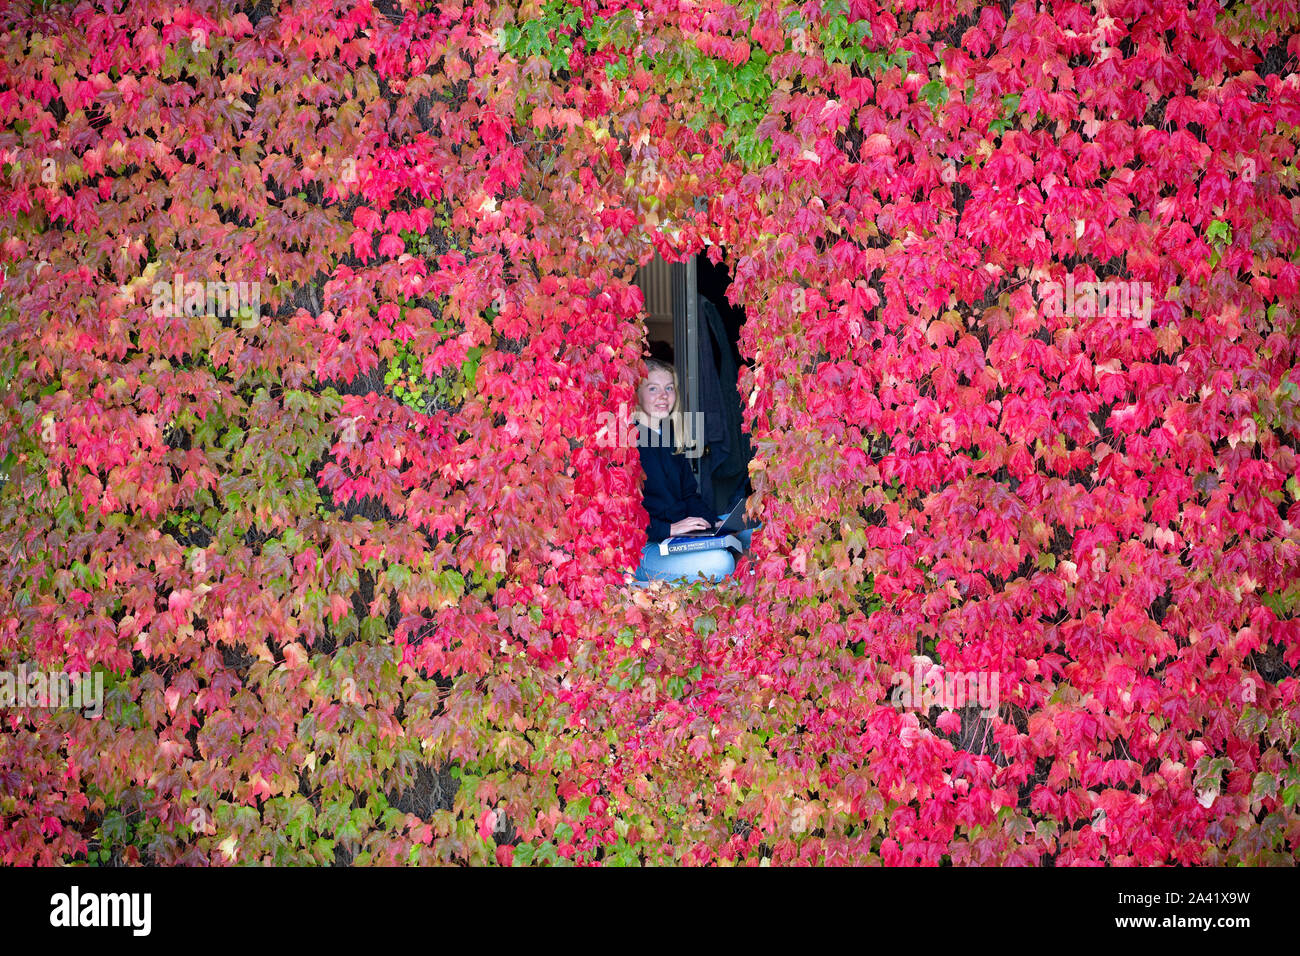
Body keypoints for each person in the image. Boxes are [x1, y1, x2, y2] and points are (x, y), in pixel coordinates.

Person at [631, 358, 746, 583]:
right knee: (722, 562)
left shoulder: (669, 437)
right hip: (646, 549)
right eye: (653, 388)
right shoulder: (628, 441)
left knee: (751, 533)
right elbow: (625, 516)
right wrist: (670, 528)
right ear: (637, 394)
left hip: (676, 537)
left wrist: (713, 525)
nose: (663, 396)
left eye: (669, 388)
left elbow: (688, 496)